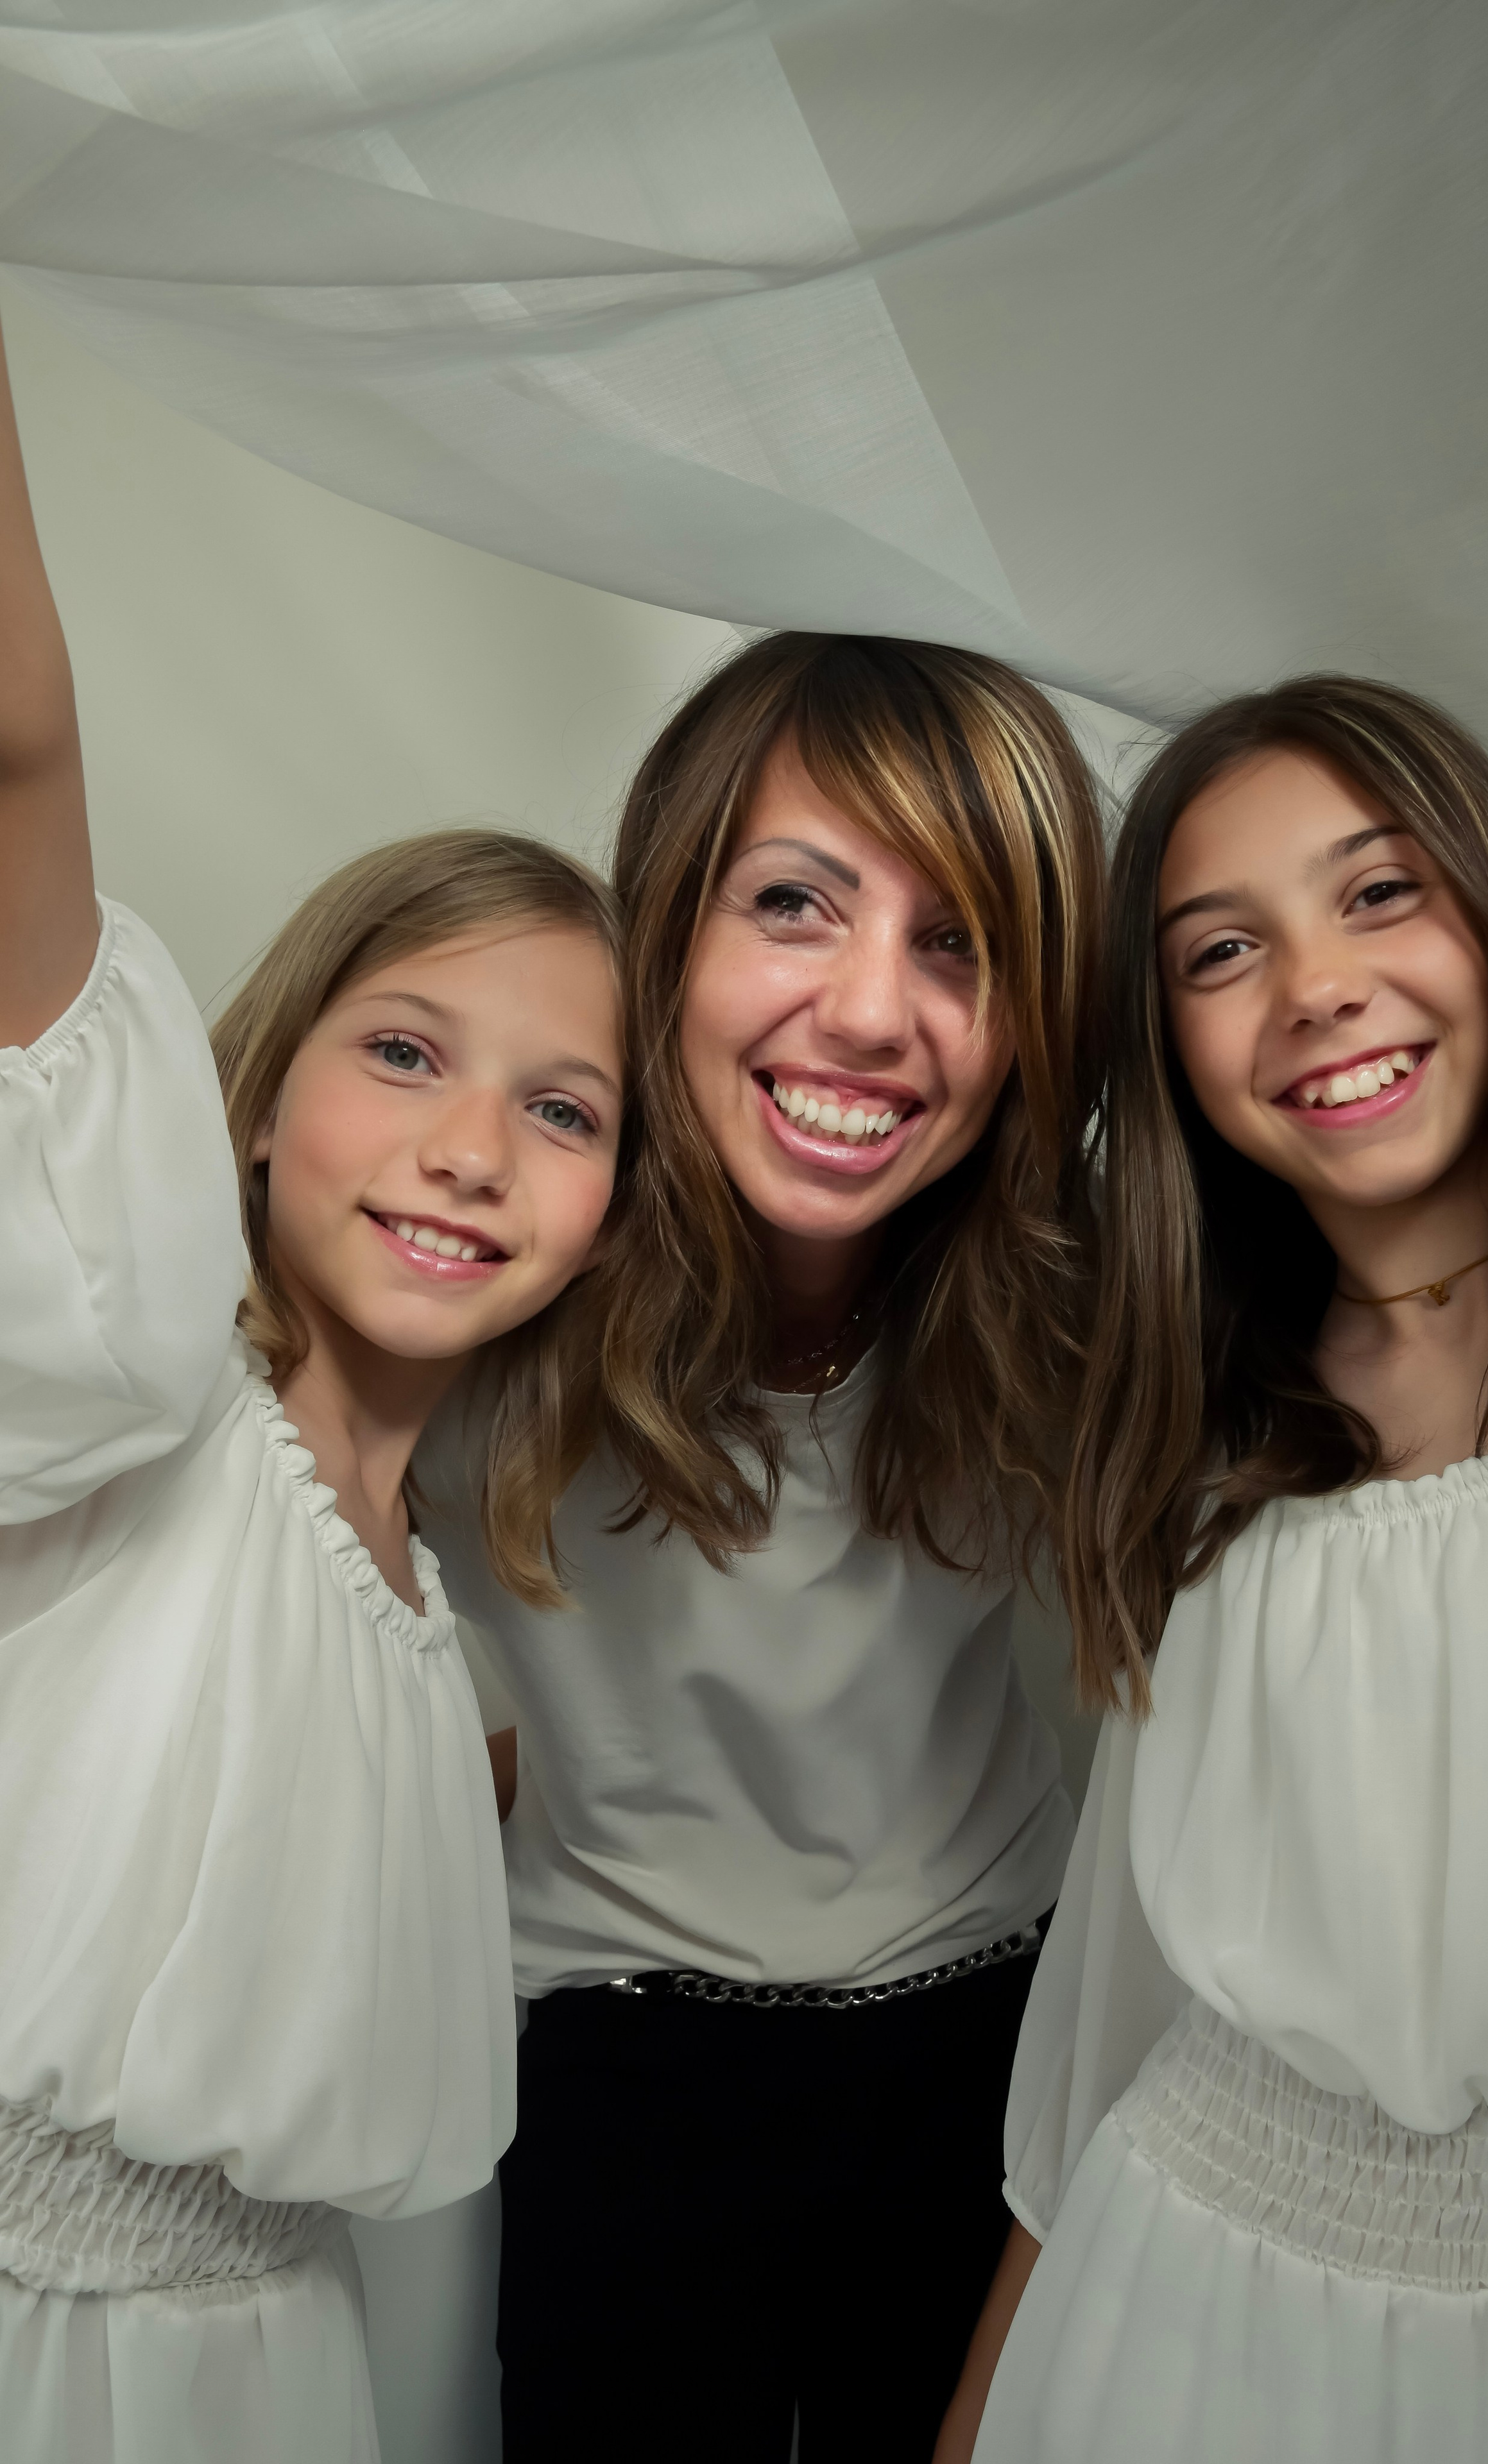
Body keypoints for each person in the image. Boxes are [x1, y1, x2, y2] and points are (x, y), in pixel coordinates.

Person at [0, 312, 626, 2464]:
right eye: (406, 1052)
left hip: (267, 2381)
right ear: (248, 1108)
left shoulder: (432, 1628)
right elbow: (13, 742)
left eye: (567, 1110)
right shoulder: (133, 1394)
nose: (473, 1146)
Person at [937, 675, 1488, 2463]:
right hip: (1193, 2307)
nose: (1317, 983)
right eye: (1218, 950)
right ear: (1166, 1042)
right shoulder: (1203, 1443)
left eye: (1380, 889)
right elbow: (1113, 2007)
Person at [422, 631, 1107, 2461]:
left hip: (991, 2046)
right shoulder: (481, 1264)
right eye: (796, 902)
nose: (876, 1009)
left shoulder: (1078, 1304)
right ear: (664, 935)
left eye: (957, 940)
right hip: (616, 2067)